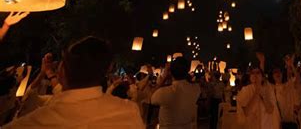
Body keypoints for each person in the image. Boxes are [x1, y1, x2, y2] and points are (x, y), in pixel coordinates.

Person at [4, 36, 144, 128]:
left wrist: (46, 72)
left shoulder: (32, 123)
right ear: (108, 70)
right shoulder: (129, 112)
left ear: (62, 72)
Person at [150, 57, 201, 129]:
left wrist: (164, 77)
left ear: (170, 72)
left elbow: (152, 98)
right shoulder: (196, 89)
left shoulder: (165, 92)